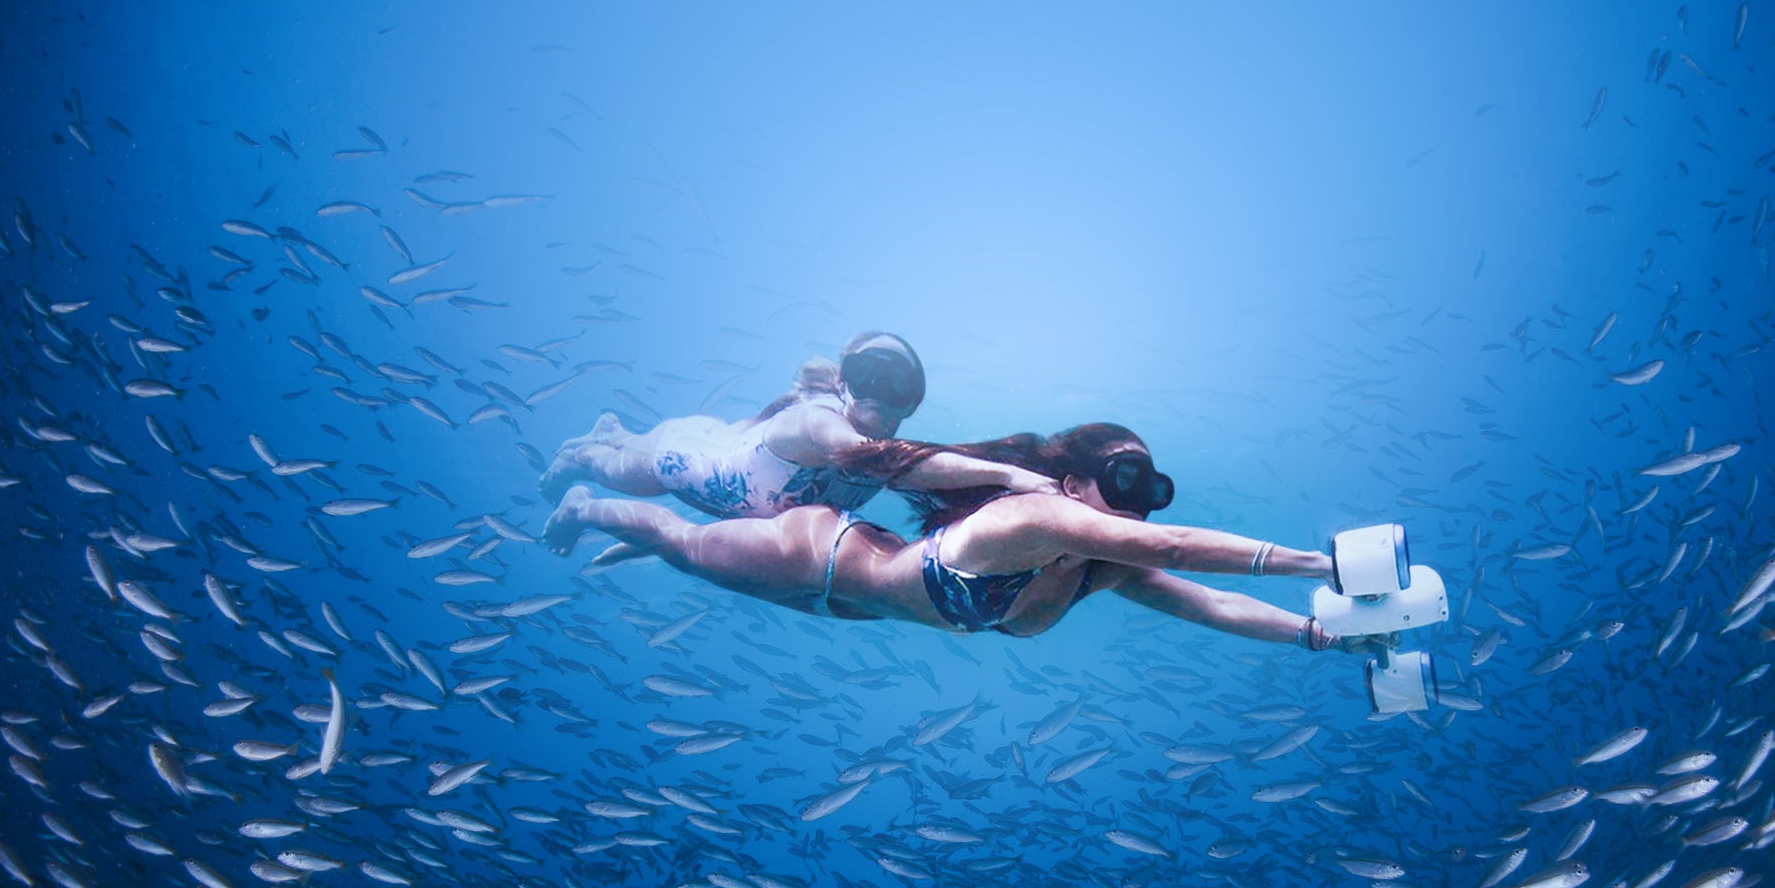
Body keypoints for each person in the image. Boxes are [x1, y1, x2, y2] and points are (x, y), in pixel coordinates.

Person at [542, 421, 1364, 651]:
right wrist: (1326, 563)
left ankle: (619, 503)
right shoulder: (1032, 515)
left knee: (679, 555)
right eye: (1124, 482)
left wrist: (1321, 634)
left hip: (855, 612)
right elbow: (1179, 549)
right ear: (1073, 483)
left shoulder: (1099, 567)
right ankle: (586, 498)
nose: (1139, 506)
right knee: (675, 541)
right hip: (814, 552)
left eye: (1152, 490)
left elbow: (1211, 605)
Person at [537, 332, 1053, 517]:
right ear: (846, 382)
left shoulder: (882, 450)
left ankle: (615, 429)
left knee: (629, 452)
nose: (880, 392)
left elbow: (920, 469)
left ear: (911, 402)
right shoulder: (820, 422)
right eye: (868, 376)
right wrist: (1008, 475)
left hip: (730, 441)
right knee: (617, 472)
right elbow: (881, 462)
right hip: (682, 457)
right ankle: (582, 453)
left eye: (898, 387)